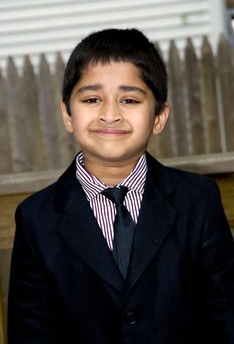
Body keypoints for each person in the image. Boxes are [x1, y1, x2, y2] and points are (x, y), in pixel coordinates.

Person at [8, 28, 234, 344]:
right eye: (91, 99)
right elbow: (31, 332)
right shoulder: (36, 218)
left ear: (158, 116)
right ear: (68, 114)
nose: (110, 115)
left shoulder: (197, 200)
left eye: (129, 99)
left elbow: (227, 314)